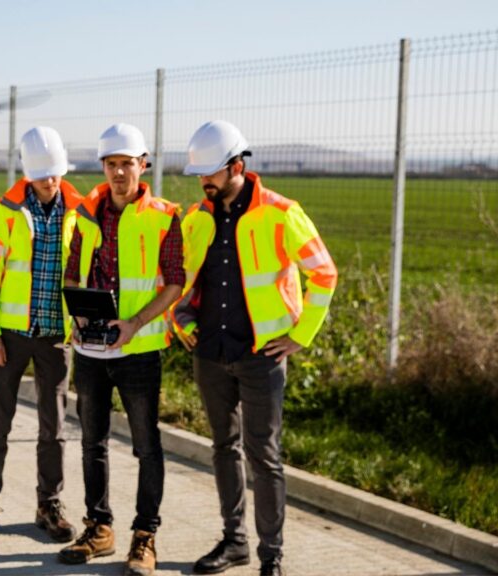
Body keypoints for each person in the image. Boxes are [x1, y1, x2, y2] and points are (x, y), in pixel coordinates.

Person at [172, 120, 337, 576]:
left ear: (237, 166)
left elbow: (325, 274)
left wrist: (301, 335)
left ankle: (272, 557)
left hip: (261, 356)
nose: (204, 181)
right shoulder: (197, 217)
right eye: (199, 174)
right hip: (209, 352)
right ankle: (234, 542)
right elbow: (181, 278)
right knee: (223, 448)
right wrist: (179, 316)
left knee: (264, 457)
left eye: (210, 173)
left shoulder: (281, 213)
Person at [57, 123, 184, 576]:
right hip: (91, 352)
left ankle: (145, 536)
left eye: (126, 164)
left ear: (142, 165)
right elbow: (72, 274)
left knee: (147, 447)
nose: (118, 173)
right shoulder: (86, 214)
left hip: (139, 352)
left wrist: (134, 324)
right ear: (103, 168)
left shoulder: (165, 216)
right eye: (111, 165)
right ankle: (99, 528)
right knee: (92, 443)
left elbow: (175, 284)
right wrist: (78, 315)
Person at [0, 126, 83, 549]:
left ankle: (49, 506)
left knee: (54, 429)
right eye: (42, 176)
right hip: (11, 337)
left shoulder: (80, 209)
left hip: (57, 336)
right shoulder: (6, 210)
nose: (50, 182)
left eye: (55, 174)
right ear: (28, 173)